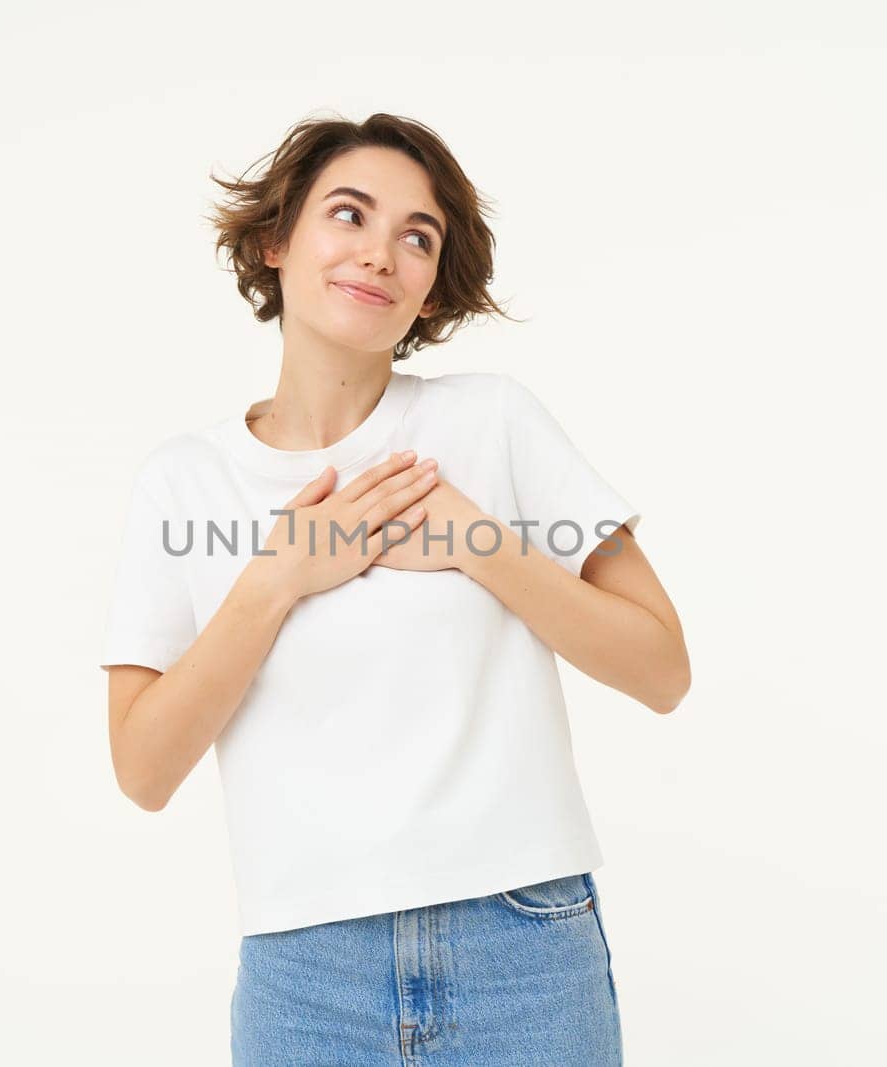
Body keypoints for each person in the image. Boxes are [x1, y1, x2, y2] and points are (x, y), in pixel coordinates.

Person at [99, 112, 690, 1065]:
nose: (382, 254)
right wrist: (279, 576)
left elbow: (663, 668)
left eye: (418, 237)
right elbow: (143, 767)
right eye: (350, 215)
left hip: (523, 947)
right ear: (275, 240)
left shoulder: (494, 423)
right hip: (306, 973)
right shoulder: (186, 481)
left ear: (429, 289)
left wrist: (479, 543)